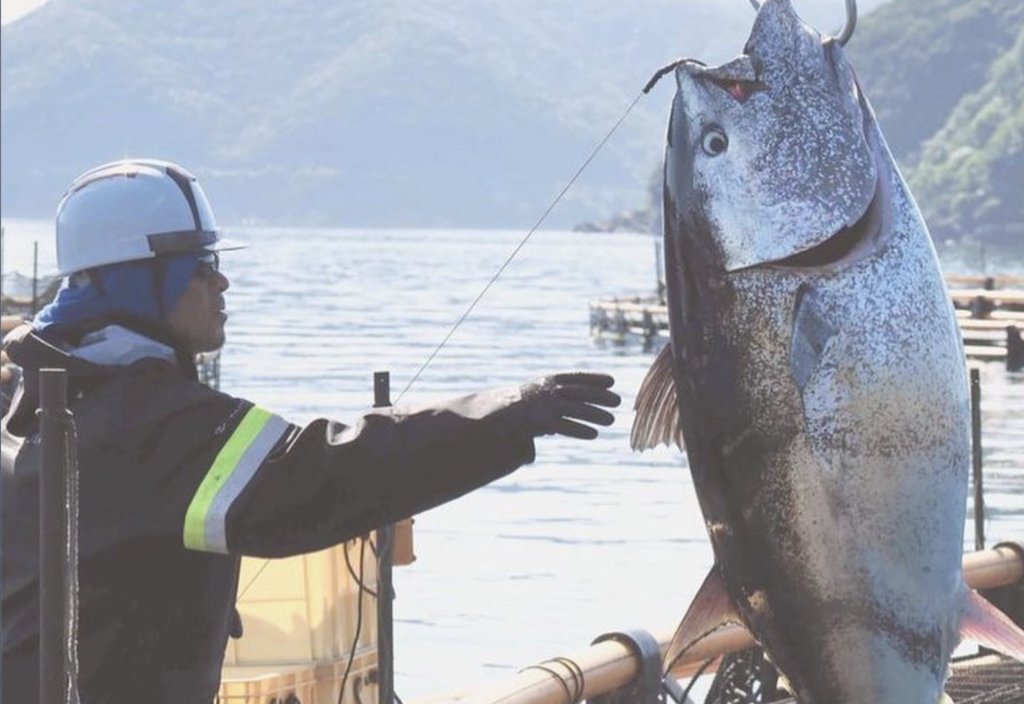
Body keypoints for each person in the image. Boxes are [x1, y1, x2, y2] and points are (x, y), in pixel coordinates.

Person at [0, 159, 621, 703]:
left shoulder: (37, 391)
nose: (222, 281)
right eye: (200, 266)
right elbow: (319, 475)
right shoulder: (148, 423)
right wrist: (507, 414)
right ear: (139, 282)